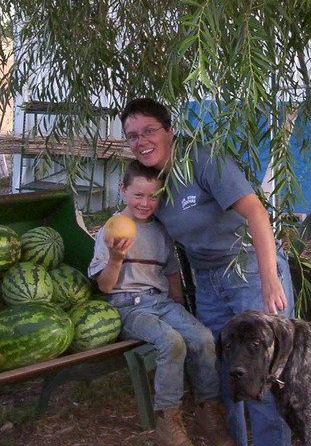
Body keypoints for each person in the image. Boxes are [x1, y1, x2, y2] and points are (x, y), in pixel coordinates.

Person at [119, 98, 294, 446]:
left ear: (170, 130)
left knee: (264, 367)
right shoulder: (152, 181)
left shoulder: (202, 159)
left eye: (149, 131)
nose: (142, 141)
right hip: (208, 281)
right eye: (133, 136)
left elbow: (256, 213)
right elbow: (133, 223)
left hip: (248, 270)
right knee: (225, 369)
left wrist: (270, 278)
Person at [90, 160, 235, 446]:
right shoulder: (111, 230)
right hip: (128, 306)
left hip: (162, 302)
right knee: (172, 342)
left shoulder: (160, 230)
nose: (145, 203)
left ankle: (208, 410)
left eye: (153, 196)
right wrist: (116, 259)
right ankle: (167, 419)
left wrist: (177, 301)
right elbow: (105, 286)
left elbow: (170, 271)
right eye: (138, 195)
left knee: (204, 338)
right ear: (123, 190)